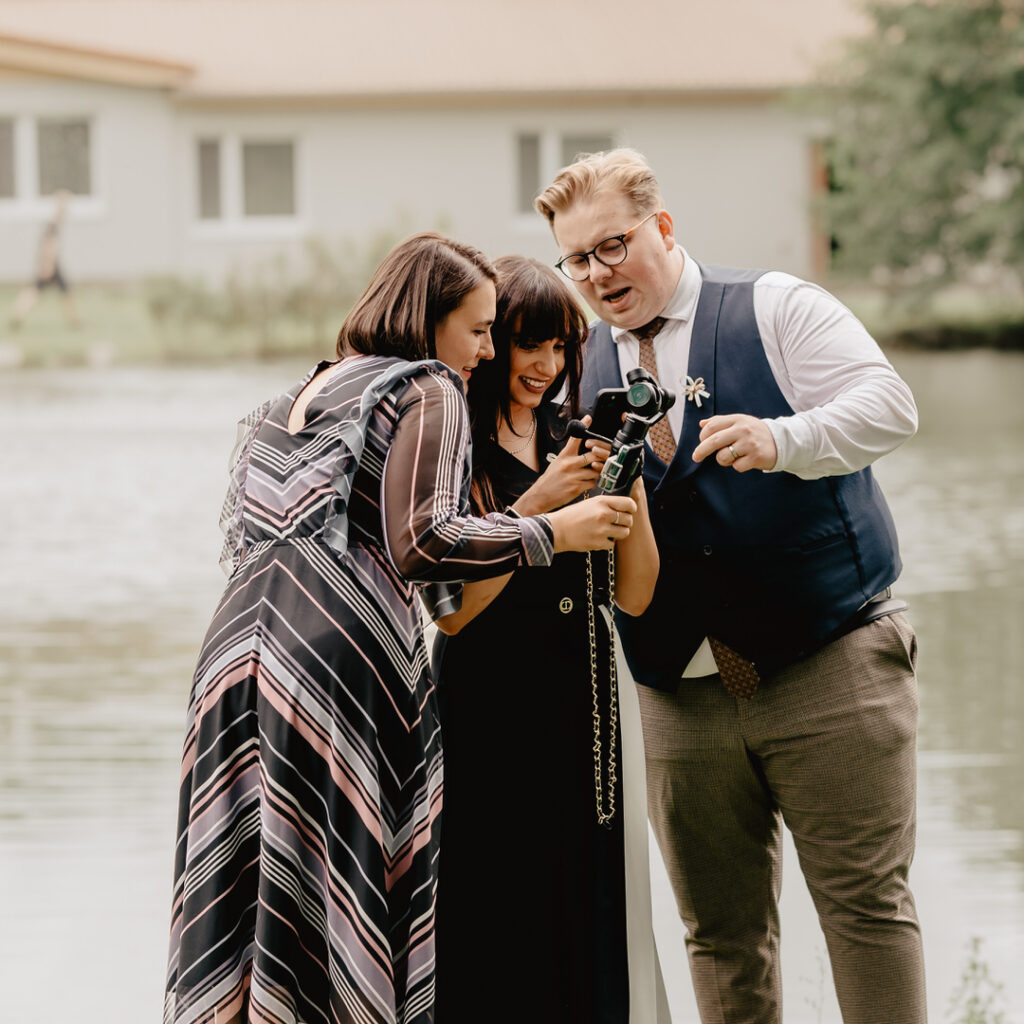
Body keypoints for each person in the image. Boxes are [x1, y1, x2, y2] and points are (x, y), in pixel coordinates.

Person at [163, 233, 637, 1024]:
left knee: (252, 899)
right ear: (429, 319)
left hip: (231, 661)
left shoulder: (296, 394)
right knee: (342, 903)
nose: (485, 352)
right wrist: (556, 531)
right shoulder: (428, 386)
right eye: (479, 329)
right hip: (338, 661)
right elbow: (424, 545)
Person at [534, 149, 924, 1023]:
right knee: (717, 933)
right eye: (579, 258)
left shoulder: (775, 306)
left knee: (866, 915)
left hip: (829, 664)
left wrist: (786, 438)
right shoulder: (574, 361)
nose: (599, 274)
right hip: (677, 694)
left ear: (663, 228)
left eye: (615, 245)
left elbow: (889, 405)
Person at [428, 255, 668, 1024]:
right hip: (488, 708)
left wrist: (622, 481)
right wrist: (539, 511)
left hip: (585, 706)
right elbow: (453, 611)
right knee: (496, 908)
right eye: (529, 344)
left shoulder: (579, 436)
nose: (547, 366)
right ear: (491, 343)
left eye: (562, 347)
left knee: (589, 901)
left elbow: (635, 591)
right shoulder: (451, 440)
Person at [9, 189, 81, 329]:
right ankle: (17, 315)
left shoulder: (54, 224)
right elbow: (48, 246)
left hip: (53, 264)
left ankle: (74, 321)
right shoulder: (52, 225)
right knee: (36, 291)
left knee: (65, 291)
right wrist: (47, 266)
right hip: (50, 264)